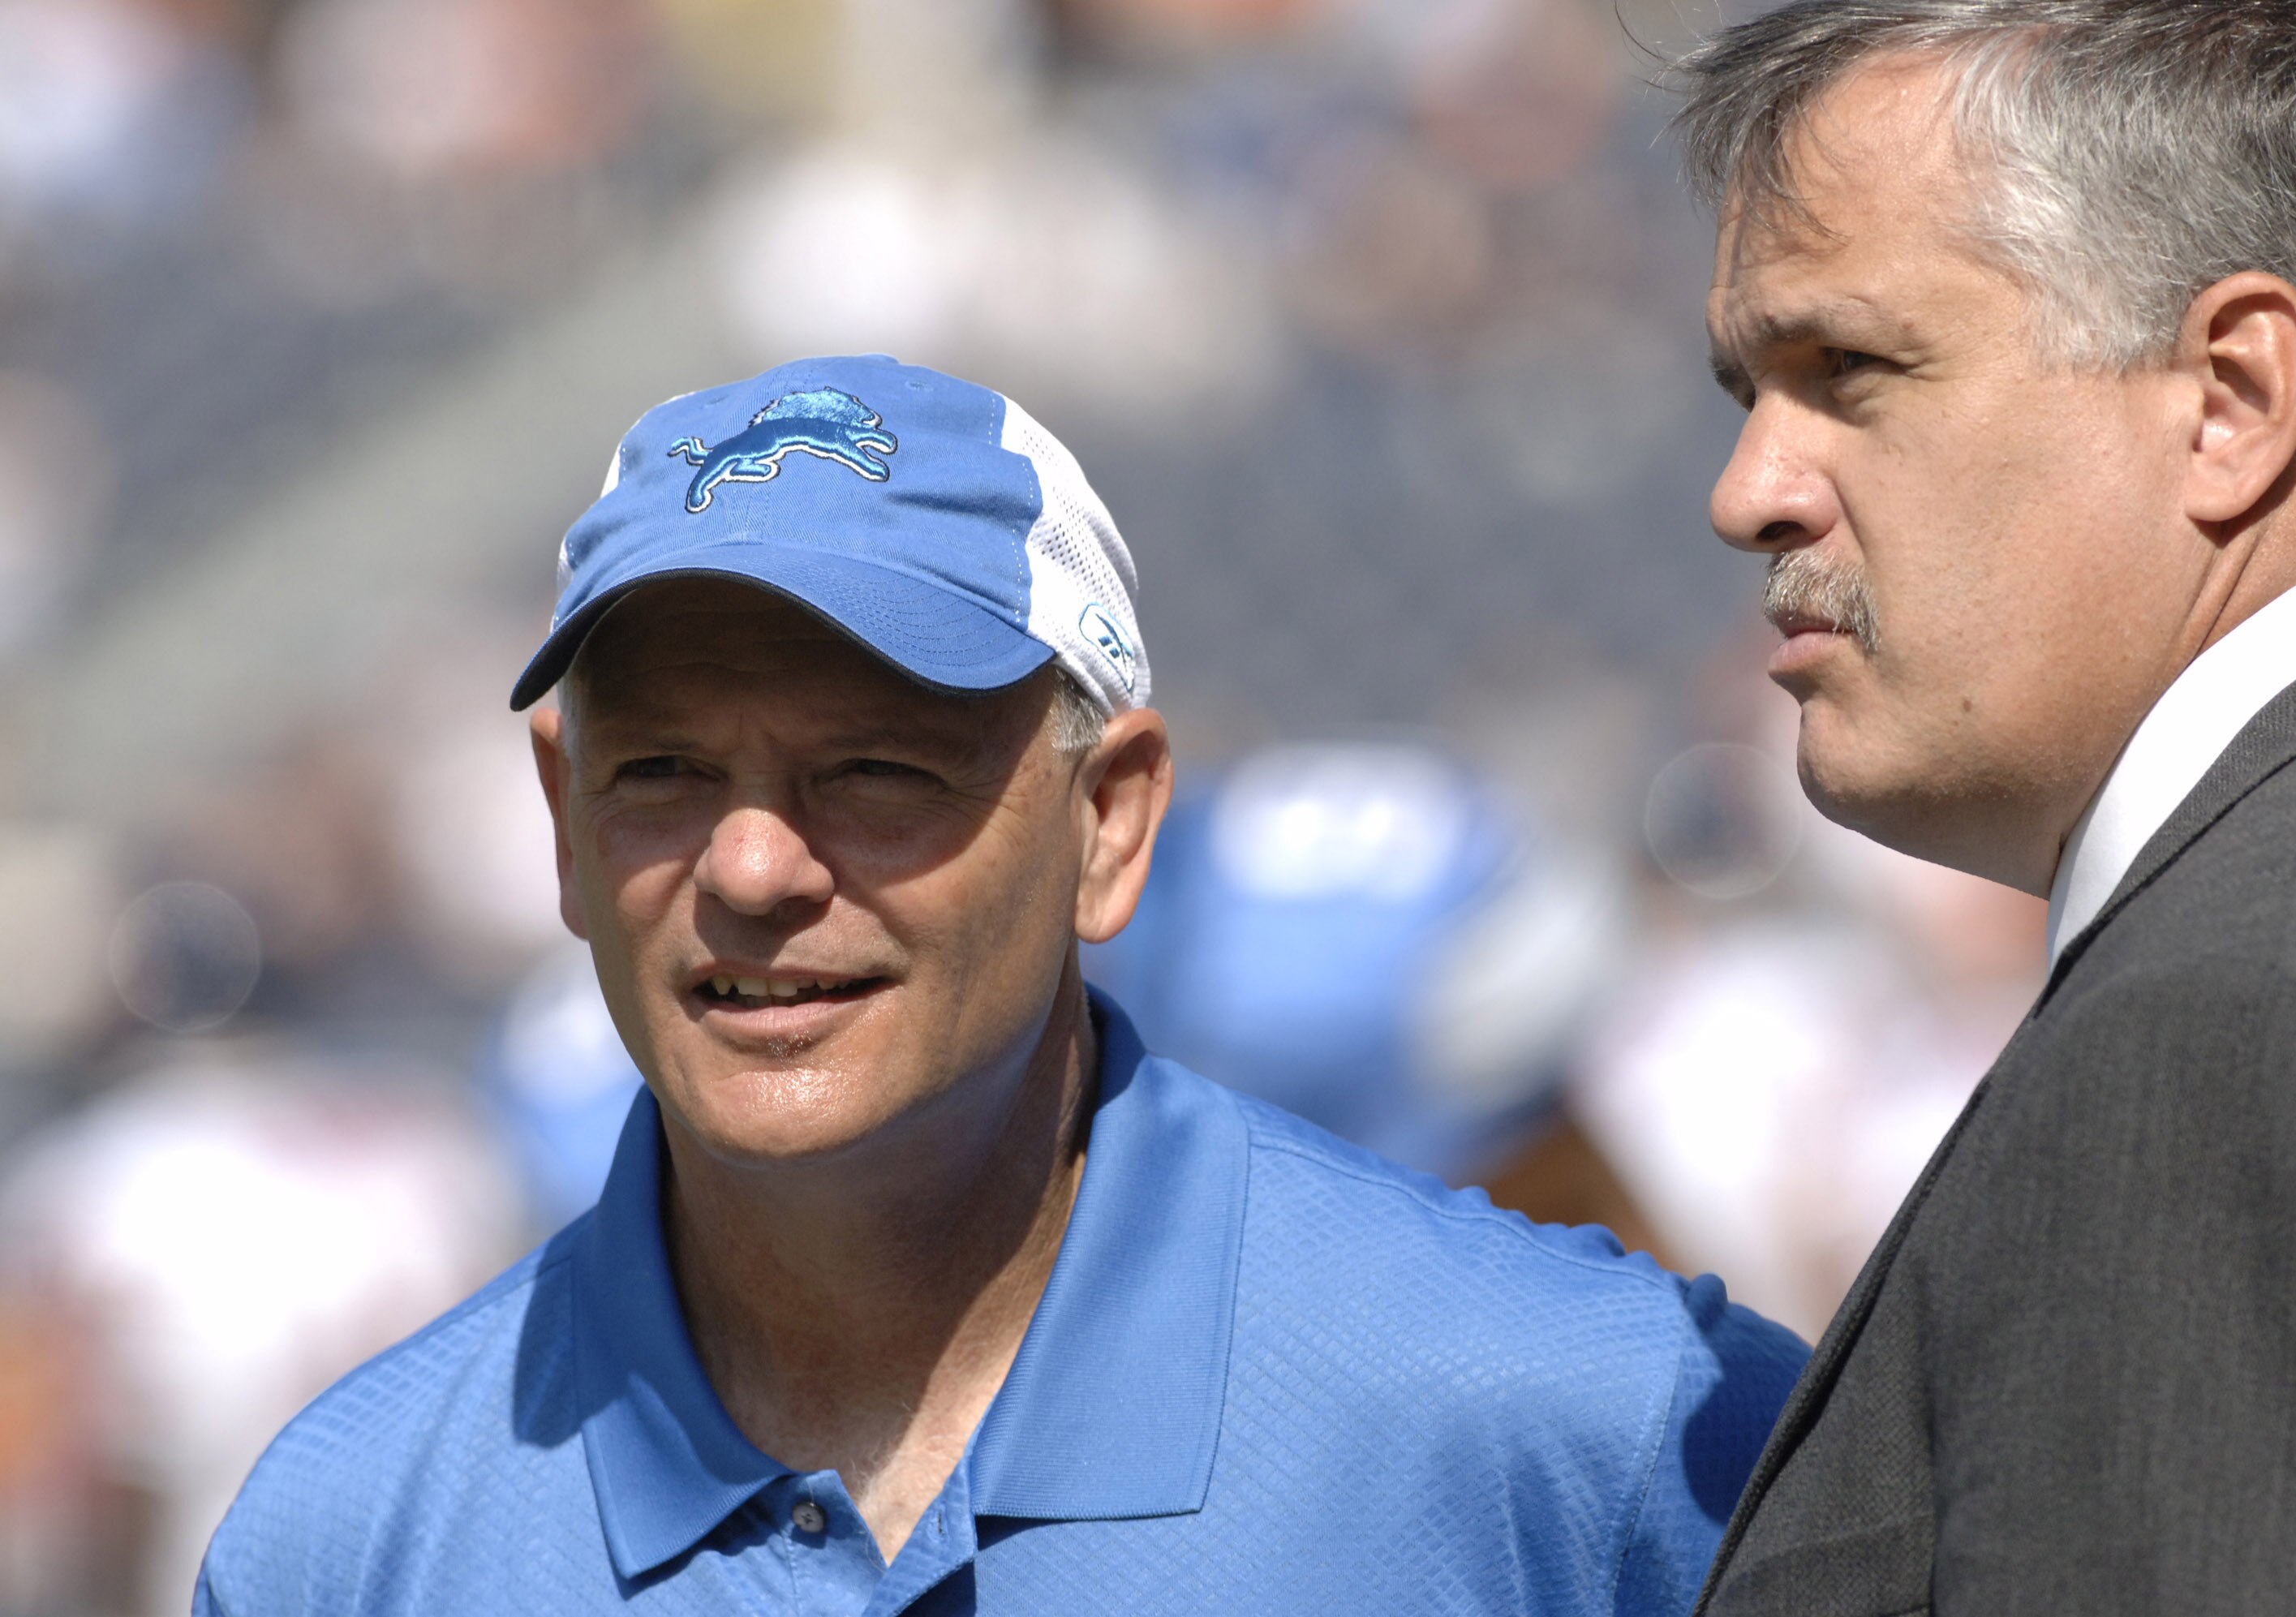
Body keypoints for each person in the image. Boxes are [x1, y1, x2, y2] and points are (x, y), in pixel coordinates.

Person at [192, 355, 1804, 1615]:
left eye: (878, 769)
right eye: (667, 770)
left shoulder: (1580, 1422)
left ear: (1111, 821)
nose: (752, 869)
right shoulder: (350, 1542)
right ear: (560, 821)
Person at [1675, 2, 2296, 1611]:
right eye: (1751, 387)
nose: (1752, 490)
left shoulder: (2241, 1024)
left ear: (2233, 394)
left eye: (1851, 370)